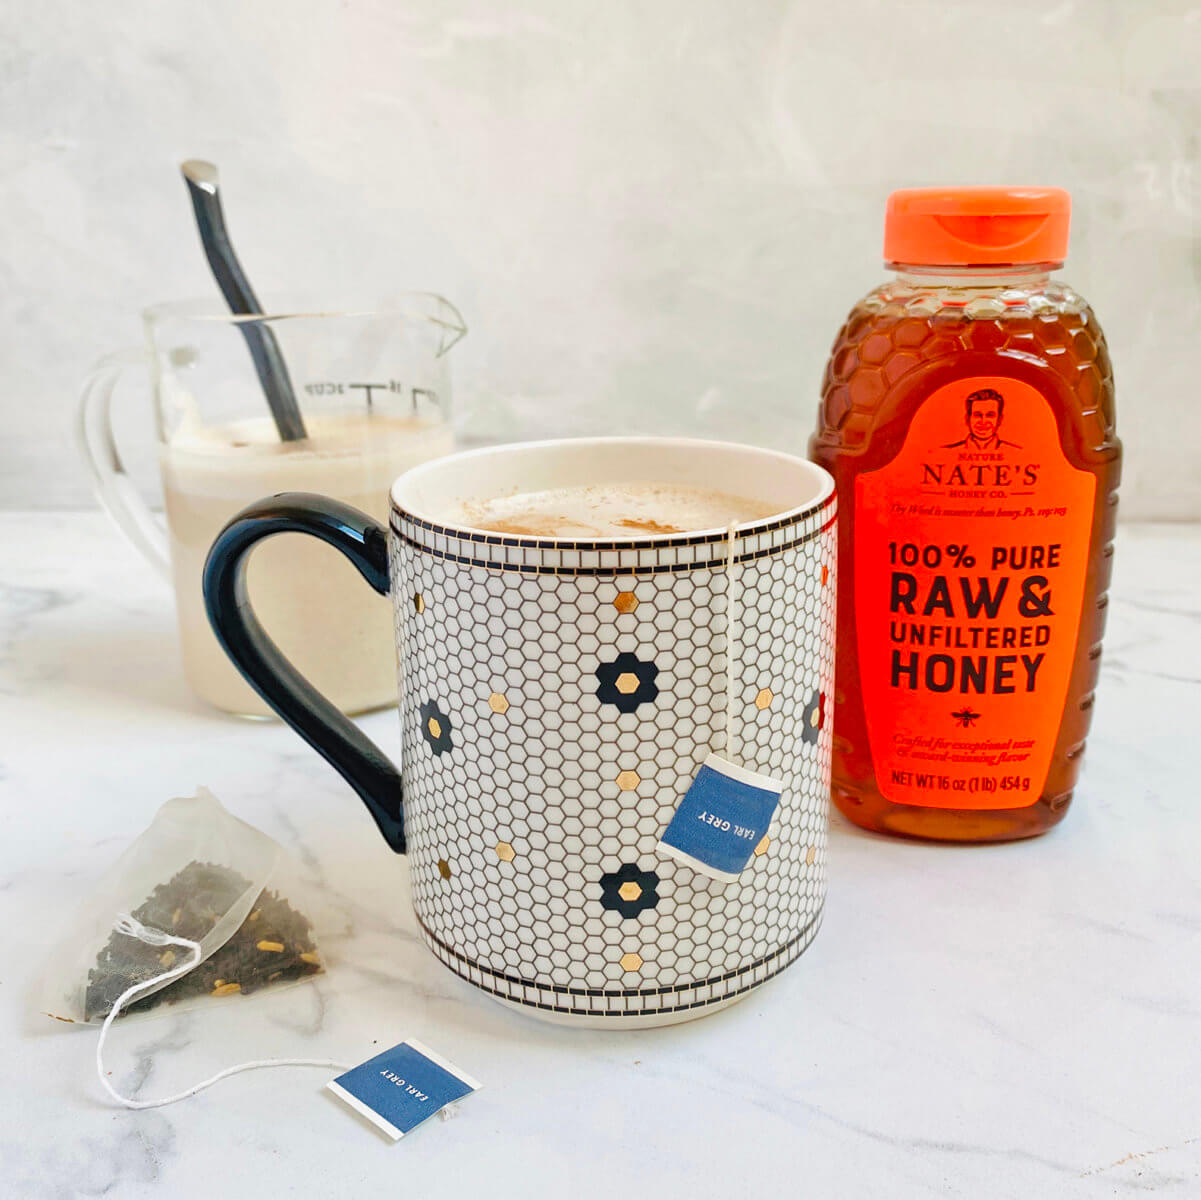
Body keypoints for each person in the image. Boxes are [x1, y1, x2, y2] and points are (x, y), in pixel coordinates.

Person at [944, 387, 1020, 450]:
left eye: (990, 415)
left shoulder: (1016, 452)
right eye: (977, 415)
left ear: (999, 420)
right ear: (967, 419)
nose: (983, 421)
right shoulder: (947, 452)